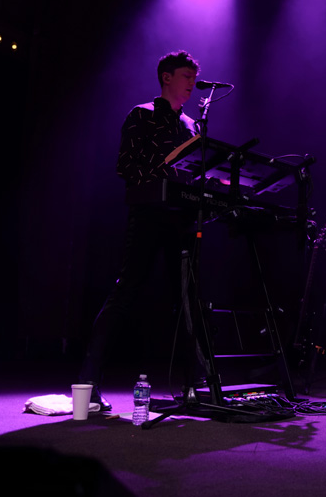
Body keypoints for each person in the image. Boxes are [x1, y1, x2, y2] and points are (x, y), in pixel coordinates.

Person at [78, 50, 205, 410]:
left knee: (187, 298)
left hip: (181, 216)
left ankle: (194, 385)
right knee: (126, 291)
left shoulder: (193, 125)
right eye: (185, 76)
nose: (192, 83)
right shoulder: (141, 114)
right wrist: (163, 175)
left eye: (194, 77)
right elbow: (125, 166)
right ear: (166, 77)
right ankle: (88, 380)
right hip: (149, 212)